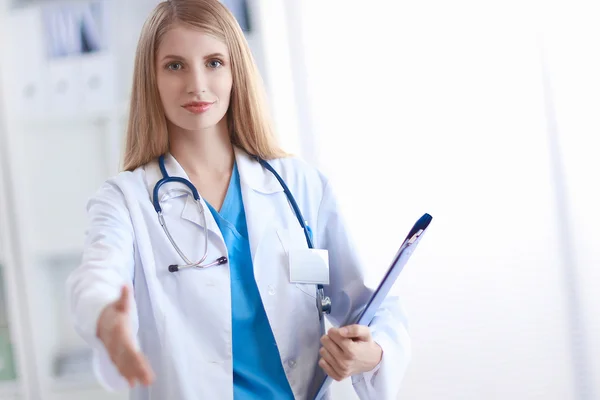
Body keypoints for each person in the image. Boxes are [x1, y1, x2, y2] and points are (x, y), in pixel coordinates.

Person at [66, 0, 410, 399]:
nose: (197, 83)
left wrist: (372, 352)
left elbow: (371, 305)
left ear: (235, 72)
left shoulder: (299, 185)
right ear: (151, 79)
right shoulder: (126, 200)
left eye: (213, 62)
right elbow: (97, 274)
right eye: (175, 65)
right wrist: (107, 318)